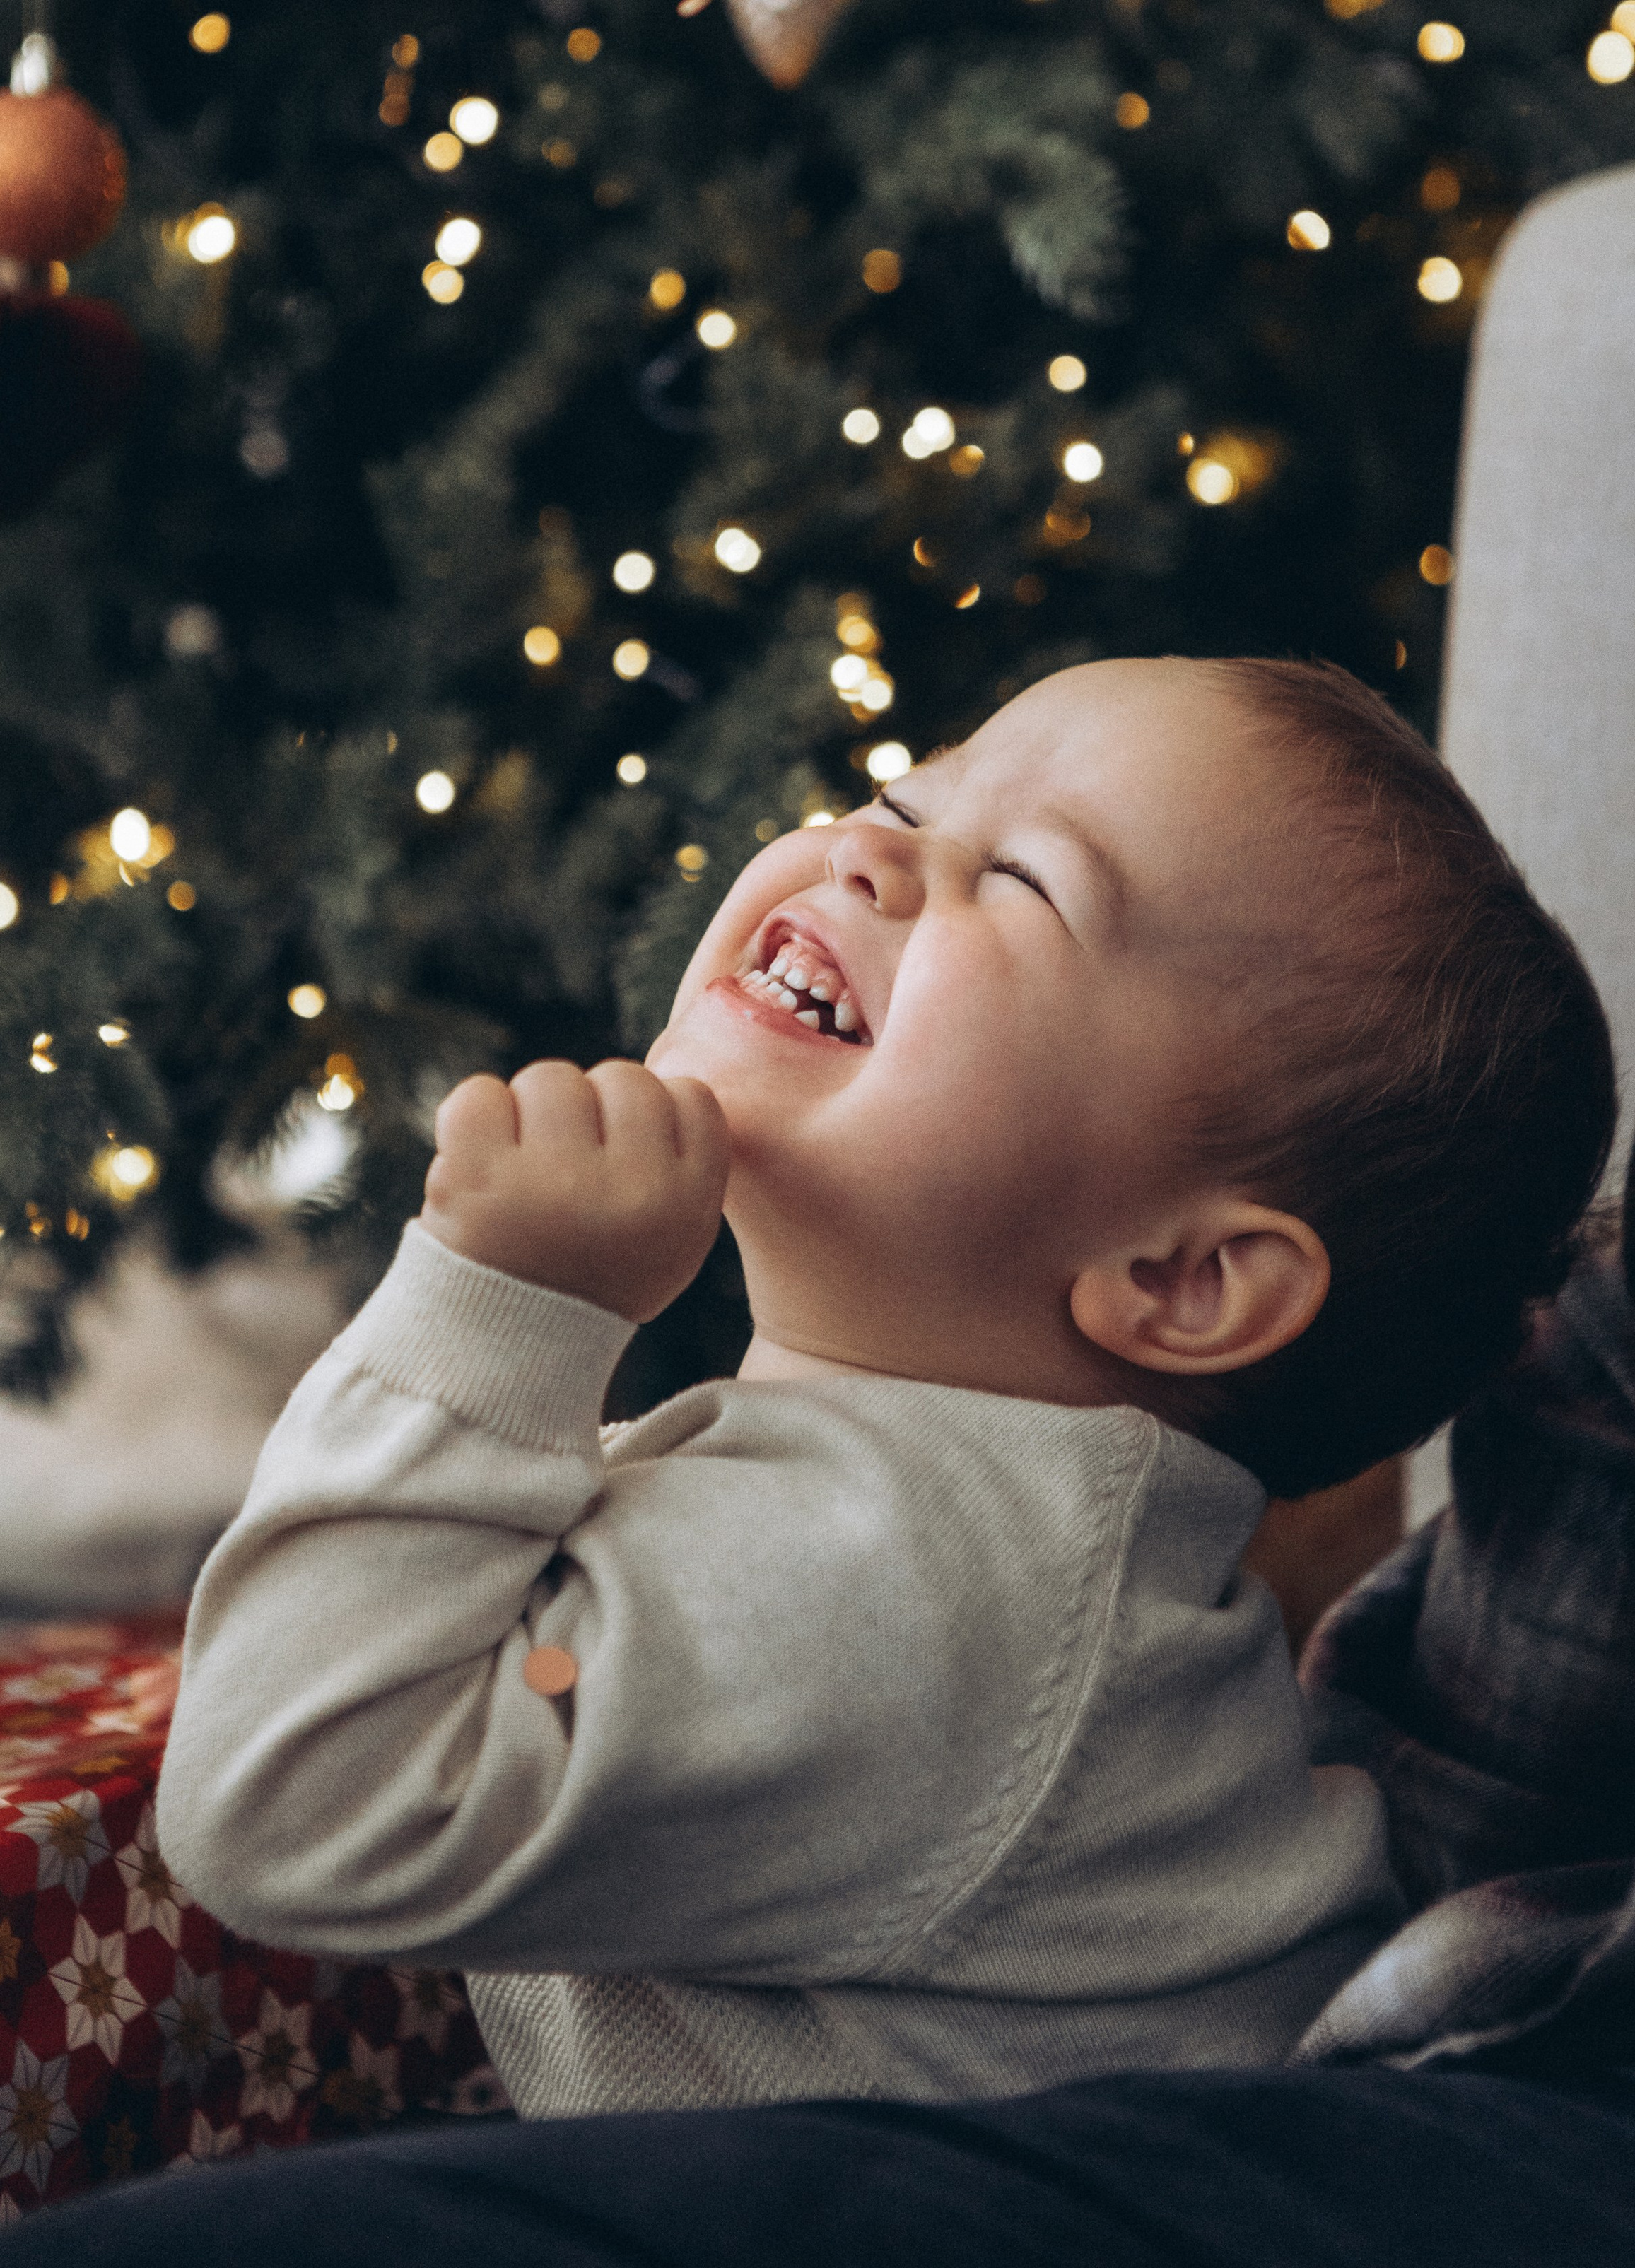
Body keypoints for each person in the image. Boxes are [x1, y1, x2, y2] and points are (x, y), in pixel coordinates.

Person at [151, 654, 1613, 2127]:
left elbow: (289, 1803)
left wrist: (501, 1312)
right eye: (903, 792)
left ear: (1178, 1282)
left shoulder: (917, 1588)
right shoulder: (957, 1514)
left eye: (1029, 883)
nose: (868, 846)